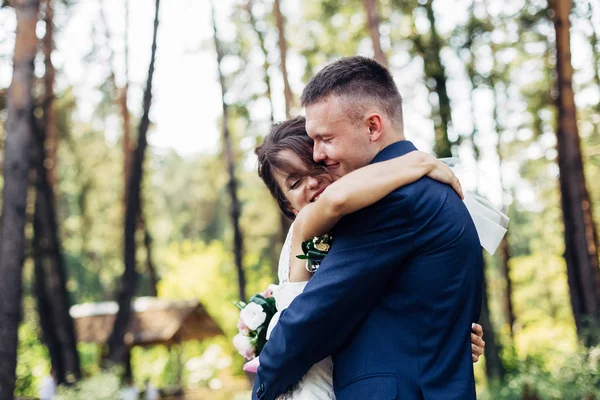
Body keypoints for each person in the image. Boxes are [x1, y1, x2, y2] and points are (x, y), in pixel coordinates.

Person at [253, 56, 486, 400]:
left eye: (326, 139)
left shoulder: (393, 201)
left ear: (373, 126)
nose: (318, 156)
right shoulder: (415, 187)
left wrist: (262, 385)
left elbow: (316, 316)